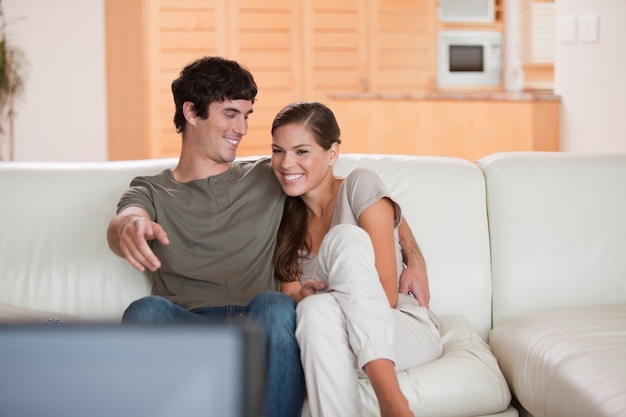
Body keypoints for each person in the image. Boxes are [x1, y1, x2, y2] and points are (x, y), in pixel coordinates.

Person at [106, 56, 304, 417]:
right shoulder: (152, 189)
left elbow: (346, 186)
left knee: (277, 306)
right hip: (188, 330)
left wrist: (409, 252)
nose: (242, 128)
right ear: (192, 113)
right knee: (145, 312)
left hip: (257, 324)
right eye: (230, 114)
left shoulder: (270, 173)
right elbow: (127, 217)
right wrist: (130, 227)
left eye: (247, 115)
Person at [270, 101, 443, 417]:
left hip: (400, 329)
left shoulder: (360, 185)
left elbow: (386, 295)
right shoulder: (283, 218)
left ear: (332, 154)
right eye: (278, 151)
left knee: (345, 239)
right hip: (327, 335)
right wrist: (305, 296)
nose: (286, 163)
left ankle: (391, 399)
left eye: (301, 151)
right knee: (313, 308)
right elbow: (291, 304)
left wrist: (415, 257)